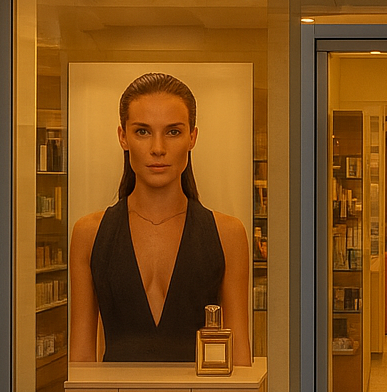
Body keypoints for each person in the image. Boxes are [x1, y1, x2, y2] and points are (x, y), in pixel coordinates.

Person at [69, 73, 251, 364]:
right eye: (143, 131)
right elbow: (80, 356)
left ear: (192, 137)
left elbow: (239, 353)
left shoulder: (228, 233)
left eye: (173, 132)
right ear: (123, 137)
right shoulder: (89, 233)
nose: (157, 148)